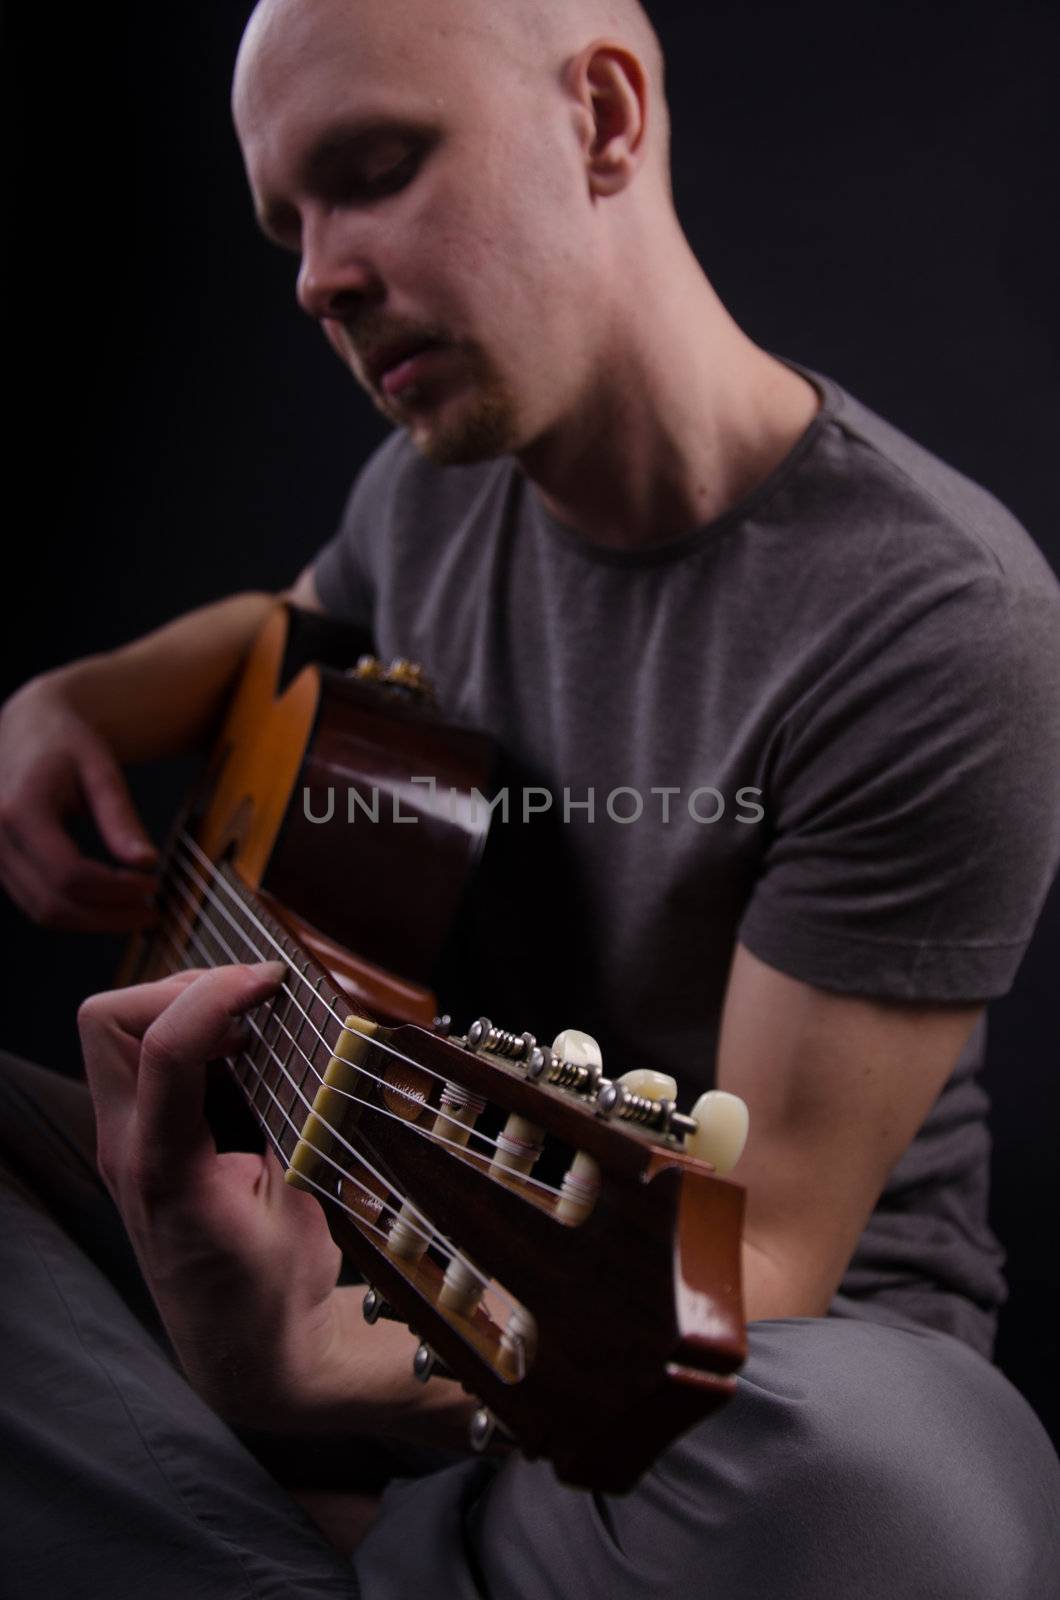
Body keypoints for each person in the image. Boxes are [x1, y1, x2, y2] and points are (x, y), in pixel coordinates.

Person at [1, 0, 1059, 1595]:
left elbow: (759, 1258)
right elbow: (285, 645)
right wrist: (73, 696)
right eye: (290, 226)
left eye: (373, 170)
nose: (315, 278)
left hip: (710, 1369)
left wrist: (302, 1376)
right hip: (350, 1202)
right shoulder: (429, 488)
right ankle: (383, 1550)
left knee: (898, 1495)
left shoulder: (936, 620)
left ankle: (277, 1518)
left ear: (606, 118)